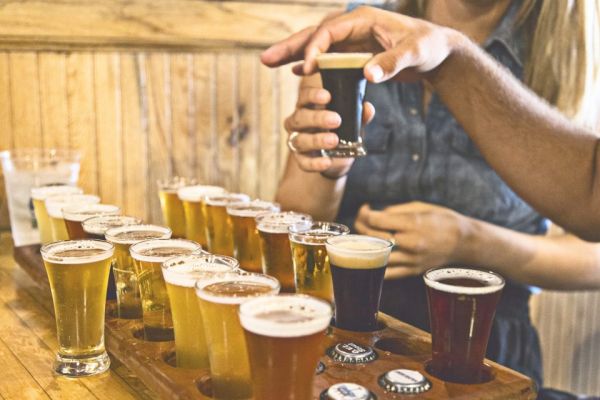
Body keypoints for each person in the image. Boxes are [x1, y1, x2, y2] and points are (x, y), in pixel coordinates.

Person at [260, 0, 600, 391]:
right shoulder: (353, 35)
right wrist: (331, 168)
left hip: (486, 344)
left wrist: (470, 241)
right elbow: (297, 219)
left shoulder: (565, 50)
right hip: (358, 331)